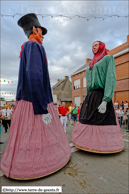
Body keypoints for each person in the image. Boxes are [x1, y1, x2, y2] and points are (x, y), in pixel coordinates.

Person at [0, 13, 71, 180]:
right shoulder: (34, 46)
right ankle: (37, 166)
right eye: (42, 32)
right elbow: (34, 76)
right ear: (34, 29)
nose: (43, 36)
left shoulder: (26, 47)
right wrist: (42, 108)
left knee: (27, 137)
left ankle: (23, 164)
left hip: (26, 101)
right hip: (36, 102)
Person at [72, 41, 124, 153]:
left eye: (96, 45)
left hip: (101, 94)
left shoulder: (108, 58)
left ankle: (103, 146)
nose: (93, 47)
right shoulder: (91, 63)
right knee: (87, 119)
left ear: (101, 46)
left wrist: (106, 100)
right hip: (91, 96)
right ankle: (85, 143)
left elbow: (110, 78)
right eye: (92, 46)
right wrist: (86, 98)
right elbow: (89, 83)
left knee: (101, 119)